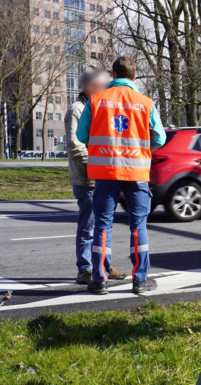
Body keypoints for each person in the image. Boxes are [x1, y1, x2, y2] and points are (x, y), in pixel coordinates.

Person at [76, 57, 166, 295]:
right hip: (136, 173)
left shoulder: (96, 100)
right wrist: (139, 147)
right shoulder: (146, 103)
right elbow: (159, 138)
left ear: (113, 74)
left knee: (103, 226)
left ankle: (100, 280)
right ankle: (140, 280)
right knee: (138, 225)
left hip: (106, 172)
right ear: (134, 77)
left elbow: (82, 135)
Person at [65, 68, 127, 284]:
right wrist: (97, 163)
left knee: (103, 225)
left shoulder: (98, 105)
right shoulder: (77, 109)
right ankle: (85, 269)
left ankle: (103, 266)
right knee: (89, 226)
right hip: (87, 178)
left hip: (101, 176)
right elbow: (75, 146)